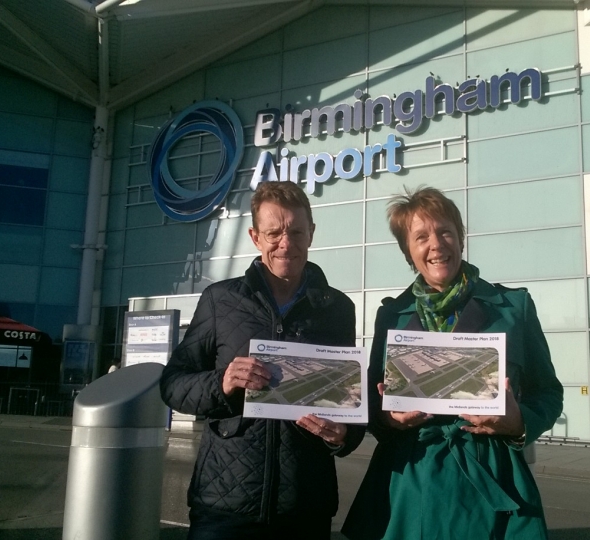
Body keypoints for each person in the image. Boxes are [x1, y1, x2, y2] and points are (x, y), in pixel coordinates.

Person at [342, 187, 563, 540]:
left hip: (491, 472)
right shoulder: (391, 316)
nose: (436, 244)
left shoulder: (513, 307)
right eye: (421, 237)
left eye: (445, 231)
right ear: (408, 252)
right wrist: (388, 418)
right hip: (409, 479)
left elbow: (548, 392)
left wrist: (518, 422)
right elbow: (373, 398)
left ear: (460, 237)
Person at [160, 181, 365, 540]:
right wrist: (222, 382)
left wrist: (342, 436)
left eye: (297, 232)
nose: (286, 243)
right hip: (224, 504)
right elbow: (173, 383)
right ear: (255, 237)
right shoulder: (220, 300)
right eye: (274, 233)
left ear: (311, 233)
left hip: (304, 505)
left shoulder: (337, 309)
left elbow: (350, 401)